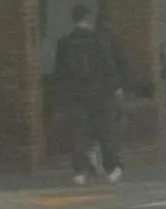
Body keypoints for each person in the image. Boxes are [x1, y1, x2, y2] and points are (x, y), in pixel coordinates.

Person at [43, 13, 121, 183]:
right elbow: (109, 67)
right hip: (99, 93)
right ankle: (111, 168)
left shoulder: (64, 43)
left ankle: (80, 171)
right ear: (88, 21)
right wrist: (114, 88)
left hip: (76, 95)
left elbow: (60, 73)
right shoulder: (99, 41)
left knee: (78, 133)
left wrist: (62, 96)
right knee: (106, 131)